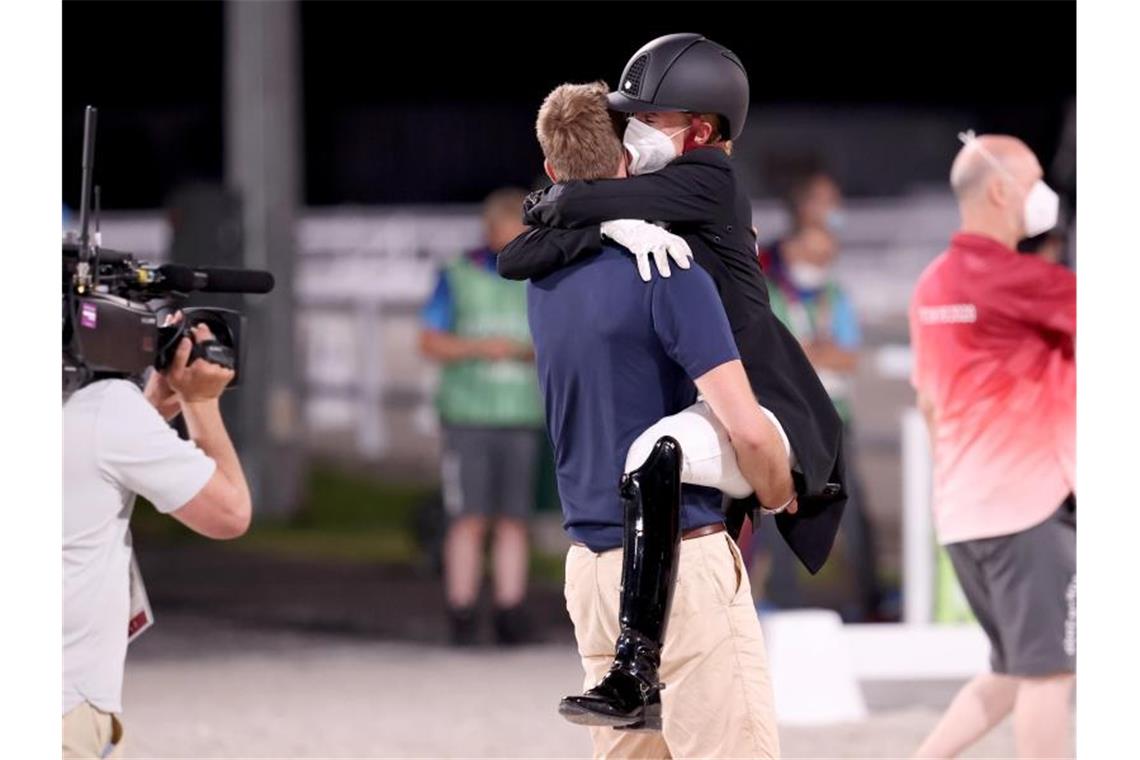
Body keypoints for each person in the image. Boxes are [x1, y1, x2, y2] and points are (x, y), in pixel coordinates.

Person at [498, 33, 847, 578]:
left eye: (651, 118)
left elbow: (576, 201)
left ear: (702, 130)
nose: (633, 130)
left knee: (655, 454)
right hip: (714, 396)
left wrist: (560, 203)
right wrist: (607, 225)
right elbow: (519, 255)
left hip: (764, 395)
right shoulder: (655, 192)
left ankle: (638, 645)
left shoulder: (713, 178)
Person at [528, 80, 792, 758]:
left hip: (589, 565)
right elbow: (748, 428)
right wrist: (780, 488)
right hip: (684, 558)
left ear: (554, 171)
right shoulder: (669, 272)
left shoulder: (544, 279)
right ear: (632, 162)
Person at [910, 132, 1075, 759]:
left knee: (1012, 670)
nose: (1046, 192)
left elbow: (927, 401)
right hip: (1027, 509)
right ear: (1003, 190)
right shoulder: (1024, 280)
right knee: (1048, 676)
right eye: (1037, 178)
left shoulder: (930, 286)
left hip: (961, 510)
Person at [64, 319, 252, 759]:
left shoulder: (109, 418)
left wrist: (147, 410)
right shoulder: (106, 411)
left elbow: (86, 468)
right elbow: (229, 513)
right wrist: (199, 401)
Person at [419, 188, 545, 646]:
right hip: (468, 413)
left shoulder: (541, 275)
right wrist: (478, 348)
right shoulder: (457, 275)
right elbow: (429, 340)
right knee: (469, 516)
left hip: (520, 413)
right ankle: (462, 608)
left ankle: (511, 608)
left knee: (514, 518)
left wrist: (521, 350)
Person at [757, 175, 885, 621]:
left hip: (834, 416)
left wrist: (812, 354)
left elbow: (845, 357)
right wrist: (812, 354)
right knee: (781, 501)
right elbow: (779, 353)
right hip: (788, 416)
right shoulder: (770, 289)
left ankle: (867, 599)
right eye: (814, 250)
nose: (824, 257)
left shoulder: (834, 294)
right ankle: (783, 597)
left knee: (847, 508)